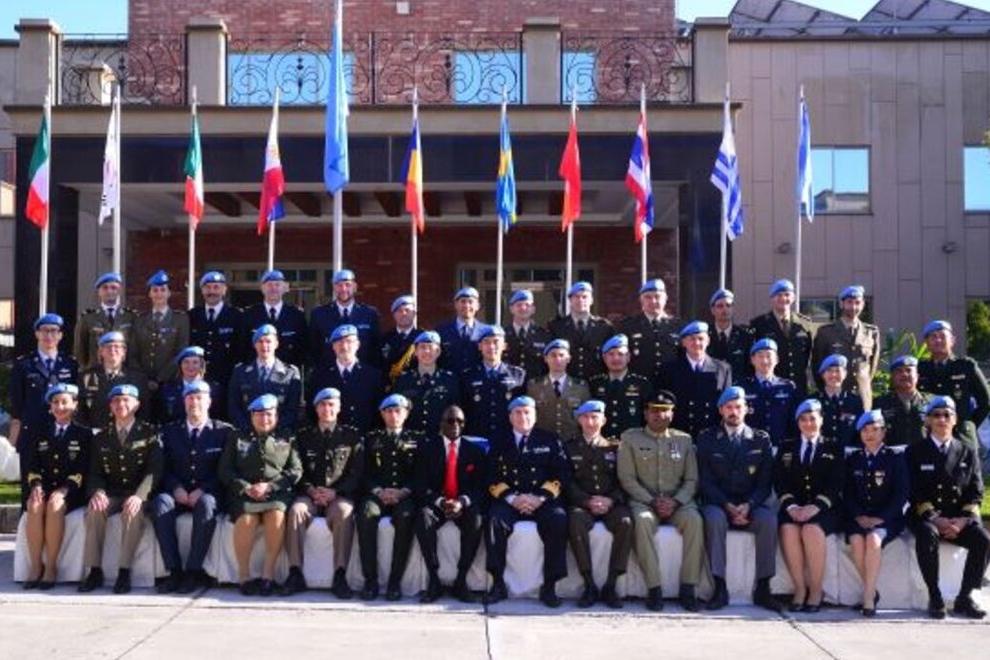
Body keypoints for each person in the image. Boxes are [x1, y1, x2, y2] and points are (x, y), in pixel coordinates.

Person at [618, 391, 703, 612]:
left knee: (694, 521)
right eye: (654, 410)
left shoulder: (684, 440)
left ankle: (688, 587)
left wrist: (676, 501)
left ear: (672, 414)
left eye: (665, 411)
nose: (659, 415)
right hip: (644, 501)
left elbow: (692, 479)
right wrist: (652, 501)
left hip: (678, 502)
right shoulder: (630, 438)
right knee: (642, 521)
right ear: (645, 413)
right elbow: (627, 478)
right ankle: (654, 588)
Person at [696, 386, 779, 611]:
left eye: (738, 407)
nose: (734, 412)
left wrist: (748, 505)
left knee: (769, 520)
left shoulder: (760, 439)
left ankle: (764, 587)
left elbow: (765, 482)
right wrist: (727, 505)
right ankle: (719, 587)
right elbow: (705, 481)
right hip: (719, 503)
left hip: (751, 504)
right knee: (713, 519)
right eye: (729, 407)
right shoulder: (707, 438)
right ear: (721, 410)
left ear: (747, 409)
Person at [906, 396, 988, 619]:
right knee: (927, 534)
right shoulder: (915, 451)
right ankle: (935, 596)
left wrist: (963, 520)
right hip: (927, 517)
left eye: (947, 415)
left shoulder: (967, 451)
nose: (942, 419)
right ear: (928, 421)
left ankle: (966, 597)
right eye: (936, 415)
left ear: (955, 420)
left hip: (958, 518)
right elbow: (913, 490)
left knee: (983, 539)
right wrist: (935, 518)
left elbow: (976, 490)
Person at [485, 396, 570, 608]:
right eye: (518, 413)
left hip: (541, 499)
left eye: (527, 412)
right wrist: (512, 498)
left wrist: (539, 498)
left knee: (558, 519)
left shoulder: (550, 440)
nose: (523, 417)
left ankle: (550, 586)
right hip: (510, 499)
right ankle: (497, 583)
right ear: (510, 417)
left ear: (535, 415)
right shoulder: (498, 440)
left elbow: (562, 473)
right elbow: (490, 475)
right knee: (494, 521)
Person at [79, 384, 163, 594]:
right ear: (110, 406)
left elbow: (154, 471)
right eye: (116, 401)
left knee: (132, 512)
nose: (120, 404)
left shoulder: (150, 434)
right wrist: (97, 492)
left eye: (126, 400)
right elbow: (94, 472)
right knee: (95, 510)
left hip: (137, 493)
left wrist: (139, 496)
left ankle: (124, 572)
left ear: (137, 405)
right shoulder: (101, 437)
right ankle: (94, 571)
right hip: (112, 492)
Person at [151, 380, 233, 594]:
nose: (194, 402)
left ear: (209, 402)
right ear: (183, 401)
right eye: (190, 398)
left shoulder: (224, 432)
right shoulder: (169, 431)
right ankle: (174, 571)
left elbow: (225, 470)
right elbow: (162, 467)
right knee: (161, 502)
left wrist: (204, 489)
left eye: (199, 398)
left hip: (208, 493)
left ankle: (193, 571)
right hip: (178, 493)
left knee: (207, 503)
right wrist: (175, 487)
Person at [282, 387, 363, 599]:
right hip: (310, 493)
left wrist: (336, 491)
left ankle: (340, 575)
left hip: (338, 495)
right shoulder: (303, 436)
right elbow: (296, 468)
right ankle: (295, 573)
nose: (327, 409)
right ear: (316, 409)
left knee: (344, 512)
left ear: (339, 408)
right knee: (296, 511)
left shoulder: (351, 436)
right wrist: (310, 489)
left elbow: (357, 472)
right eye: (322, 405)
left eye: (331, 405)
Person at [218, 394, 302, 596]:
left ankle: (268, 575)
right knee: (247, 521)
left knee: (276, 517)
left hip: (275, 493)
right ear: (252, 416)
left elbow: (296, 470)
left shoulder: (287, 437)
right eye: (260, 415)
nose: (265, 419)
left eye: (269, 415)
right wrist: (246, 487)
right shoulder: (237, 437)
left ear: (276, 416)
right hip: (245, 493)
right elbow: (225, 470)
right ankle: (244, 576)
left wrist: (271, 486)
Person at [773, 399, 844, 612]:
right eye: (803, 419)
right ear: (798, 423)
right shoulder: (786, 447)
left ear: (821, 420)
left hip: (826, 509)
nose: (808, 423)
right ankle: (799, 589)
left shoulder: (833, 446)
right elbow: (780, 481)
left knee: (811, 530)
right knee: (788, 529)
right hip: (794, 507)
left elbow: (837, 483)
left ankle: (816, 591)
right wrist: (792, 506)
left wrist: (816, 507)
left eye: (813, 418)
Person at [413, 404, 487, 603]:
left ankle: (461, 580)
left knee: (476, 519)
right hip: (437, 503)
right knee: (423, 517)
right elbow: (420, 483)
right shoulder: (427, 448)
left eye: (460, 421)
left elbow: (481, 486)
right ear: (441, 424)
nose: (455, 425)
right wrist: (440, 501)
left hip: (462, 504)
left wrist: (462, 502)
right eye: (450, 420)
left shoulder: (475, 451)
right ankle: (434, 580)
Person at [564, 400, 633, 609]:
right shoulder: (568, 447)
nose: (590, 422)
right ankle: (589, 584)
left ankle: (611, 585)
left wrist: (611, 500)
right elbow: (567, 481)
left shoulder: (616, 447)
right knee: (575, 521)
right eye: (585, 417)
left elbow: (626, 480)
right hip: (583, 503)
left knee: (626, 522)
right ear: (579, 420)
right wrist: (586, 501)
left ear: (603, 420)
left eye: (595, 417)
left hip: (611, 503)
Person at [21, 384, 89, 589]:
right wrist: (36, 486)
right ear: (50, 407)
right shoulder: (39, 432)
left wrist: (65, 489)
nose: (60, 407)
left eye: (65, 402)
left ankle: (51, 567)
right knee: (34, 505)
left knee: (55, 505)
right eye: (55, 402)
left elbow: (83, 468)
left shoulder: (83, 434)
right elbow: (31, 465)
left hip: (72, 490)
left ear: (75, 405)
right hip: (45, 487)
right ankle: (36, 566)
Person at [9, 313, 79, 506]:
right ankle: (28, 523)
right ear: (37, 334)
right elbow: (17, 406)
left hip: (60, 433)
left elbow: (75, 401)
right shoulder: (23, 365)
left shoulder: (70, 364)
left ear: (61, 335)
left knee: (59, 483)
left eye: (54, 331)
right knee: (31, 488)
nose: (49, 335)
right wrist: (14, 439)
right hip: (32, 432)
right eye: (45, 331)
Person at [357, 394, 422, 601]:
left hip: (405, 495)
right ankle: (370, 580)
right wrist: (378, 491)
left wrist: (404, 491)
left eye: (398, 411)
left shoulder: (418, 439)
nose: (393, 415)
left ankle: (395, 581)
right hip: (377, 494)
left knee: (406, 517)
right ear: (382, 414)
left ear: (406, 414)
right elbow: (363, 472)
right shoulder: (371, 439)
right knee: (366, 514)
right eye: (389, 411)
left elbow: (421, 474)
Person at [843, 410, 908, 617]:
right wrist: (858, 515)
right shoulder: (854, 459)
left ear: (883, 432)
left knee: (873, 540)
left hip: (887, 518)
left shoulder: (895, 458)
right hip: (859, 516)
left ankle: (868, 598)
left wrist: (882, 517)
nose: (869, 434)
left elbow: (901, 493)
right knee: (856, 541)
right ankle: (872, 591)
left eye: (874, 430)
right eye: (865, 430)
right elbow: (847, 492)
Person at [918, 319, 990, 453]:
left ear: (952, 340)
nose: (938, 340)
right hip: (930, 435)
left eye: (942, 336)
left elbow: (985, 401)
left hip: (962, 434)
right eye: (933, 337)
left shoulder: (966, 366)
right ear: (927, 343)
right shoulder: (921, 369)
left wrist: (969, 423)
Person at [658, 321, 731, 440]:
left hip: (711, 435)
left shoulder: (723, 369)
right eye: (692, 339)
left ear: (708, 341)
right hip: (679, 434)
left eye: (701, 339)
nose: (697, 343)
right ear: (683, 342)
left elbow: (726, 404)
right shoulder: (669, 370)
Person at [309, 324, 385, 434]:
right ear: (333, 346)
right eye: (339, 342)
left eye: (349, 342)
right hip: (332, 437)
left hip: (364, 436)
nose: (344, 347)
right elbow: (312, 410)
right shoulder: (320, 376)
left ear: (358, 345)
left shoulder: (373, 375)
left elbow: (380, 411)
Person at [227, 324, 302, 432]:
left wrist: (276, 431)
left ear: (276, 344)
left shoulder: (290, 373)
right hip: (247, 433)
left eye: (268, 341)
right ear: (254, 345)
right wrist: (248, 429)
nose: (264, 346)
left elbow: (292, 409)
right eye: (260, 341)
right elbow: (234, 407)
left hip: (280, 434)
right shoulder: (240, 372)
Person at [749, 279, 814, 396]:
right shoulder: (759, 325)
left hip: (799, 386)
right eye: (778, 295)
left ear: (793, 298)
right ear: (772, 298)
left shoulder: (805, 324)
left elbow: (810, 355)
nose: (783, 299)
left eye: (787, 295)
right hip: (772, 387)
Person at [811, 286, 880, 395]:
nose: (853, 307)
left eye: (857, 303)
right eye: (849, 302)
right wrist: (825, 392)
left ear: (863, 305)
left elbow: (872, 366)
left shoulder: (872, 333)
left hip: (861, 395)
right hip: (835, 394)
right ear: (841, 304)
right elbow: (817, 365)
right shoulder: (825, 332)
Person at [461, 326, 526, 441]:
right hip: (476, 438)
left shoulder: (518, 375)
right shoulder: (467, 375)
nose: (491, 347)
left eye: (496, 342)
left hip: (507, 438)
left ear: (504, 346)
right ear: (480, 346)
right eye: (486, 342)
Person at [309, 268, 382, 368]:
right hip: (330, 372)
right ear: (334, 288)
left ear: (355, 287)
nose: (343, 289)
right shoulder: (319, 314)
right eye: (339, 285)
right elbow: (313, 349)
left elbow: (376, 348)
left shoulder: (369, 314)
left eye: (348, 285)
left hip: (363, 372)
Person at [131, 270, 189, 395]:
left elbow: (180, 352)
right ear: (150, 294)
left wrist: (160, 379)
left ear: (169, 293)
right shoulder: (140, 319)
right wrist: (144, 378)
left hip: (170, 381)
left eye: (163, 290)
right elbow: (133, 353)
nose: (159, 294)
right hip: (143, 383)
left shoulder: (180, 319)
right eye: (155, 290)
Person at [78, 331, 149, 430]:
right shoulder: (87, 376)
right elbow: (80, 409)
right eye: (108, 347)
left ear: (124, 351)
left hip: (127, 433)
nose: (112, 350)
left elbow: (145, 410)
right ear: (101, 351)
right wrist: (87, 431)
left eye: (117, 346)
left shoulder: (137, 378)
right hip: (95, 432)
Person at [393, 331, 460, 436]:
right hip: (410, 439)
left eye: (431, 348)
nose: (427, 351)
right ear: (415, 352)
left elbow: (456, 412)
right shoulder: (403, 380)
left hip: (439, 439)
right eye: (422, 347)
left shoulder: (450, 380)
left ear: (438, 352)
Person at [589, 334, 654, 438]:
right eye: (611, 354)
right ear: (604, 358)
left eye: (620, 354)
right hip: (602, 441)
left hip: (633, 442)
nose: (616, 358)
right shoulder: (595, 384)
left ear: (628, 357)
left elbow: (648, 417)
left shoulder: (642, 384)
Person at [617, 278, 681, 384]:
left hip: (671, 384)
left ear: (665, 298)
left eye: (657, 296)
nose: (653, 301)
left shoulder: (678, 326)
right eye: (648, 297)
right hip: (639, 385)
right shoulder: (628, 326)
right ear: (641, 300)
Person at [189, 271, 247, 386]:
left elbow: (241, 349)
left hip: (226, 379)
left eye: (216, 287)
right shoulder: (192, 315)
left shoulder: (237, 316)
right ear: (202, 290)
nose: (212, 291)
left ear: (224, 290)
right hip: (197, 379)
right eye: (208, 287)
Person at [547, 281, 613, 382]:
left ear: (591, 300)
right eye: (576, 297)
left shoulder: (604, 327)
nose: (580, 300)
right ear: (570, 300)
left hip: (597, 383)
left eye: (584, 297)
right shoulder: (557, 326)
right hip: (568, 383)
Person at [243, 269, 308, 369]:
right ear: (262, 288)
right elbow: (242, 347)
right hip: (256, 372)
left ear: (284, 288)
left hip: (287, 373)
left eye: (277, 285)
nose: (273, 288)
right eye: (269, 285)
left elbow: (304, 348)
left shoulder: (296, 315)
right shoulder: (249, 314)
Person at [738, 338, 797, 447]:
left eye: (769, 356)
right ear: (752, 360)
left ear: (777, 360)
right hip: (751, 446)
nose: (765, 361)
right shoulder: (742, 387)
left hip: (781, 446)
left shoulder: (788, 387)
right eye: (760, 356)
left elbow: (794, 420)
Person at [527, 339, 590, 440]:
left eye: (561, 355)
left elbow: (587, 415)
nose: (558, 359)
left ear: (568, 359)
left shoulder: (581, 387)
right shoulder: (534, 386)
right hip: (543, 440)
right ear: (546, 359)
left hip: (572, 441)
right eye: (553, 355)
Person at [74, 272, 137, 370]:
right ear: (99, 292)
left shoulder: (130, 317)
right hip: (96, 372)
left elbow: (136, 349)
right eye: (105, 288)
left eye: (113, 288)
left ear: (119, 291)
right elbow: (80, 351)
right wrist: (87, 370)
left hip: (125, 372)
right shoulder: (87, 318)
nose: (109, 291)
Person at [155, 345, 225, 424]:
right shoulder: (168, 389)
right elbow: (162, 418)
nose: (190, 366)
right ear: (180, 365)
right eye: (186, 362)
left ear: (201, 365)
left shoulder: (214, 389)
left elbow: (218, 418)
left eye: (195, 362)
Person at [874, 355, 932, 448]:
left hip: (924, 454)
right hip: (892, 454)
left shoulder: (931, 402)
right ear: (892, 377)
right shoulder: (880, 403)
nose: (904, 374)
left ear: (917, 376)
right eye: (899, 371)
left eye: (908, 370)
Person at [435, 286, 489, 375]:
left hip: (476, 380)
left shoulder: (486, 331)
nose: (466, 306)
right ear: (456, 305)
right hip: (449, 380)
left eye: (470, 302)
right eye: (463, 301)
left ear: (477, 306)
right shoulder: (441, 330)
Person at [817, 354, 865, 448]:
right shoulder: (814, 401)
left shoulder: (855, 401)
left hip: (848, 453)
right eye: (829, 371)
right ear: (823, 375)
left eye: (838, 371)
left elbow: (861, 431)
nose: (834, 375)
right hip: (821, 453)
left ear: (845, 374)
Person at [503, 289, 552, 381]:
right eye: (519, 305)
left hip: (535, 386)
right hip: (509, 385)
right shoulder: (502, 335)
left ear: (533, 309)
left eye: (527, 305)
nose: (523, 308)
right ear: (511, 309)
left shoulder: (544, 335)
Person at [708, 288, 754, 383]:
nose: (725, 309)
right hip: (710, 386)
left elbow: (751, 368)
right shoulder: (704, 335)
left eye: (728, 305)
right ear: (712, 310)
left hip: (737, 387)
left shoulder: (745, 336)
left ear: (733, 309)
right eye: (720, 306)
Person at [381, 295, 420, 382]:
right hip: (389, 386)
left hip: (414, 385)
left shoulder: (421, 338)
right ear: (394, 315)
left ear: (414, 314)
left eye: (407, 310)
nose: (404, 314)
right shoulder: (384, 339)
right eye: (399, 311)